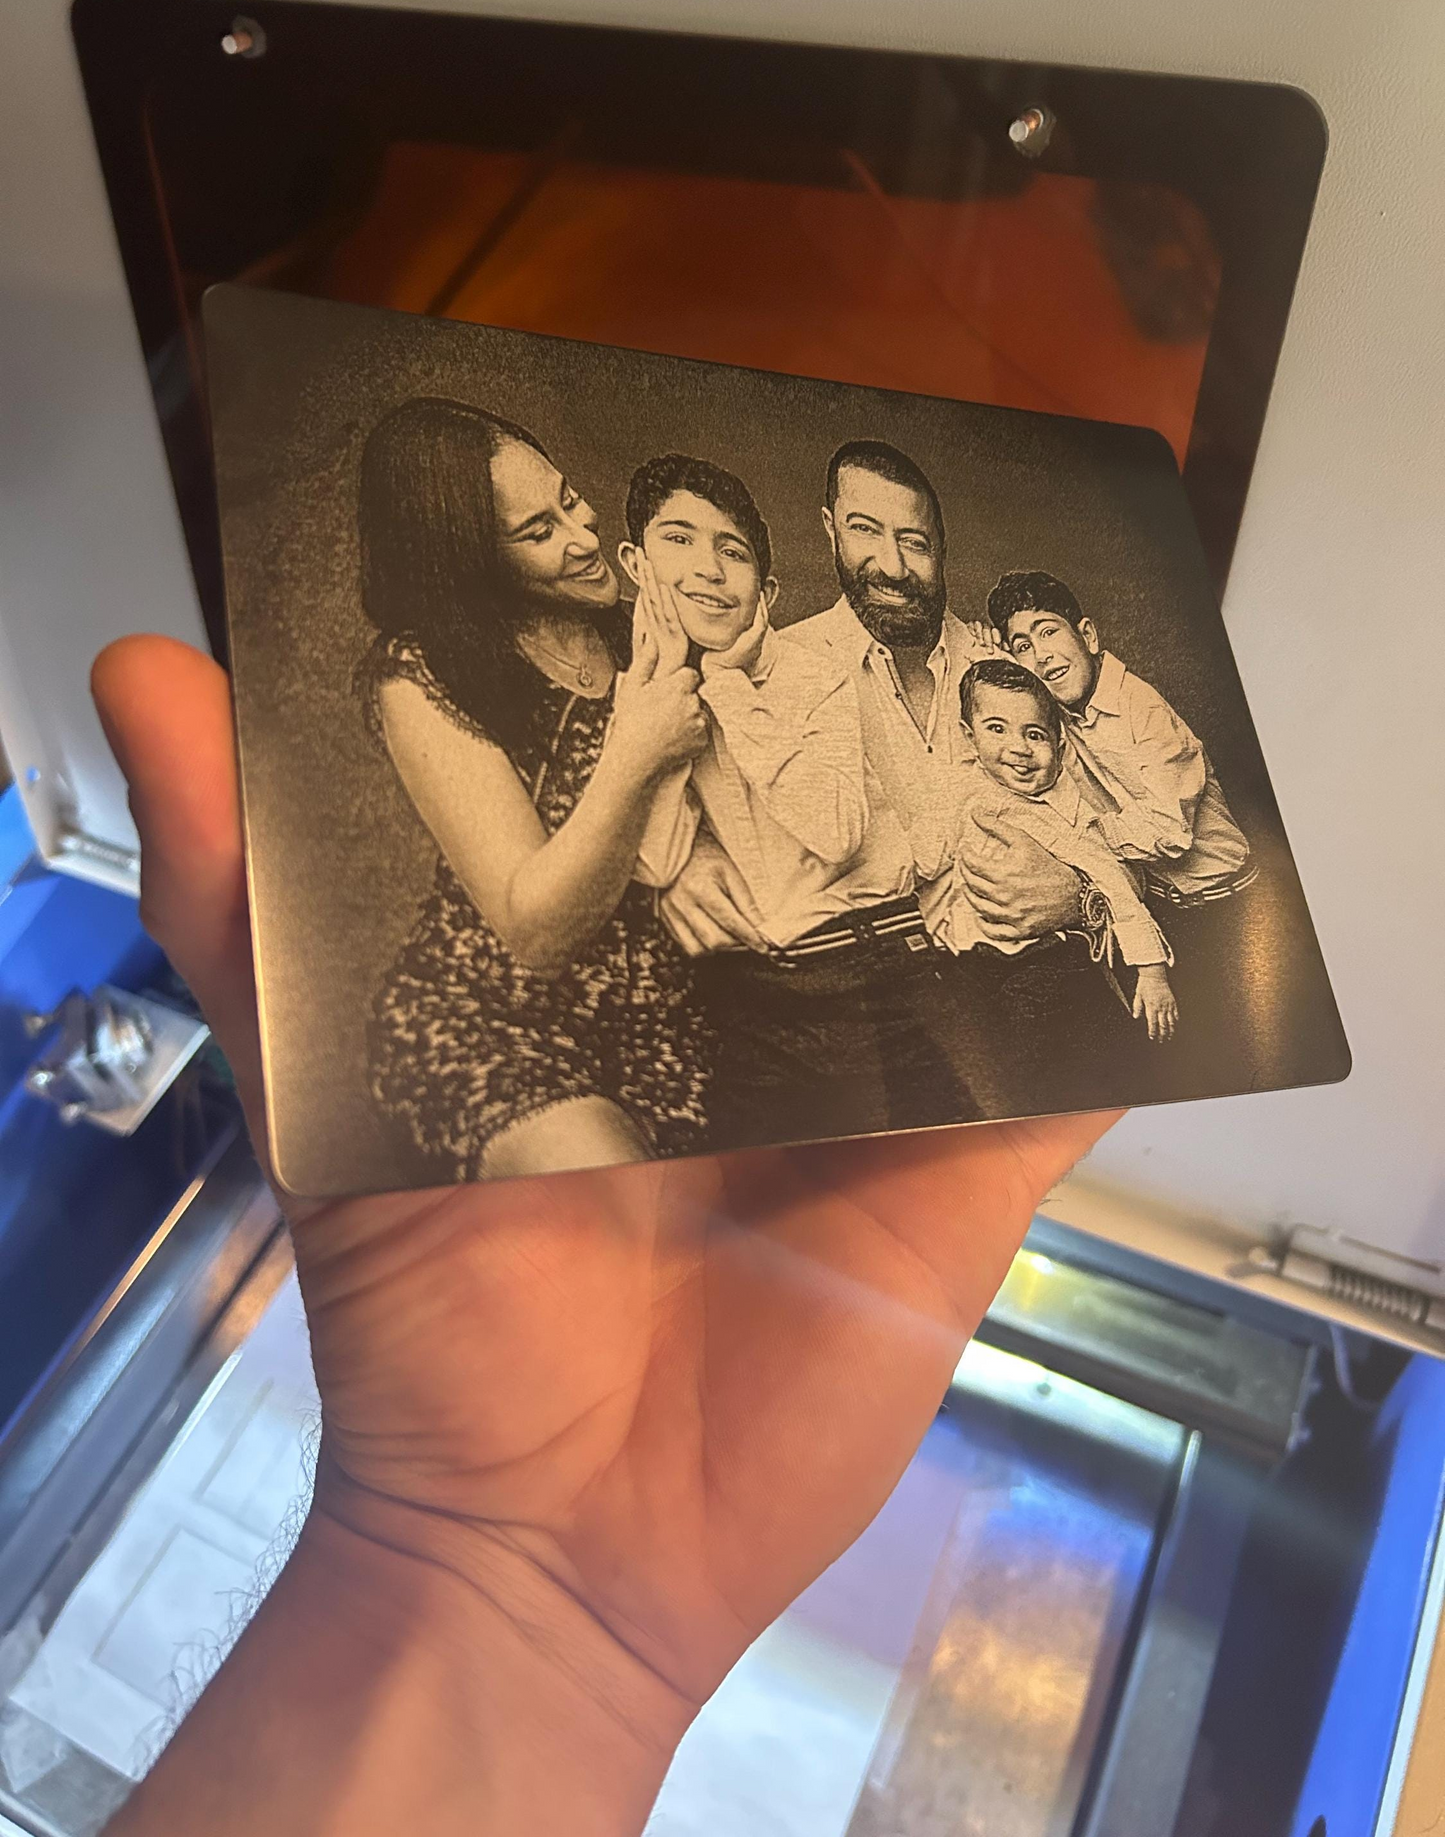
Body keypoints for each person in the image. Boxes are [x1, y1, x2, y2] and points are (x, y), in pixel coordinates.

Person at [92, 632, 1119, 1837]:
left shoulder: (790, 682)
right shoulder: (459, 688)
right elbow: (537, 913)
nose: (585, 545)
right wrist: (497, 1577)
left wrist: (491, 1580)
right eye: (542, 530)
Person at [355, 397, 711, 1181]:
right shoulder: (418, 674)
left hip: (670, 1021)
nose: (585, 538)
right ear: (470, 558)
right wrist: (637, 747)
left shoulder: (640, 624)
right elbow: (535, 931)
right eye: (537, 532)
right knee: (641, 1217)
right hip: (496, 1021)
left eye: (569, 499)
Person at [620, 453, 975, 1151]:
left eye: (733, 552)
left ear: (768, 589)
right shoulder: (648, 695)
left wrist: (728, 684)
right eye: (677, 540)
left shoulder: (810, 673)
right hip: (767, 992)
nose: (708, 570)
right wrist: (658, 680)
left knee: (939, 1167)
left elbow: (835, 830)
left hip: (877, 961)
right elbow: (658, 859)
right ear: (635, 564)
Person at [782, 441, 1089, 957]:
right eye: (864, 530)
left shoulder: (1007, 671)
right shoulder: (784, 670)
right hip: (866, 992)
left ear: (942, 549)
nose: (894, 567)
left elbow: (1109, 823)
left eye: (915, 542)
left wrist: (1079, 896)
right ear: (830, 529)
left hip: (1038, 973)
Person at [987, 568, 1266, 1092]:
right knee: (1179, 1055)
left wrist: (1091, 835)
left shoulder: (1143, 709)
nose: (1041, 655)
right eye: (1022, 646)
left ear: (1087, 636)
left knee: (1240, 1054)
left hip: (1230, 907)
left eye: (1049, 631)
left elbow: (1169, 832)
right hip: (1170, 908)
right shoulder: (1063, 713)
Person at [943, 659, 1177, 1114]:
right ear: (968, 736)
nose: (1019, 749)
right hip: (973, 968)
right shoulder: (963, 792)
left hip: (1045, 969)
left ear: (1061, 746)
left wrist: (1152, 972)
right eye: (996, 729)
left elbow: (1115, 883)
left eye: (1035, 734)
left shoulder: (1054, 813)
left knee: (1071, 1080)